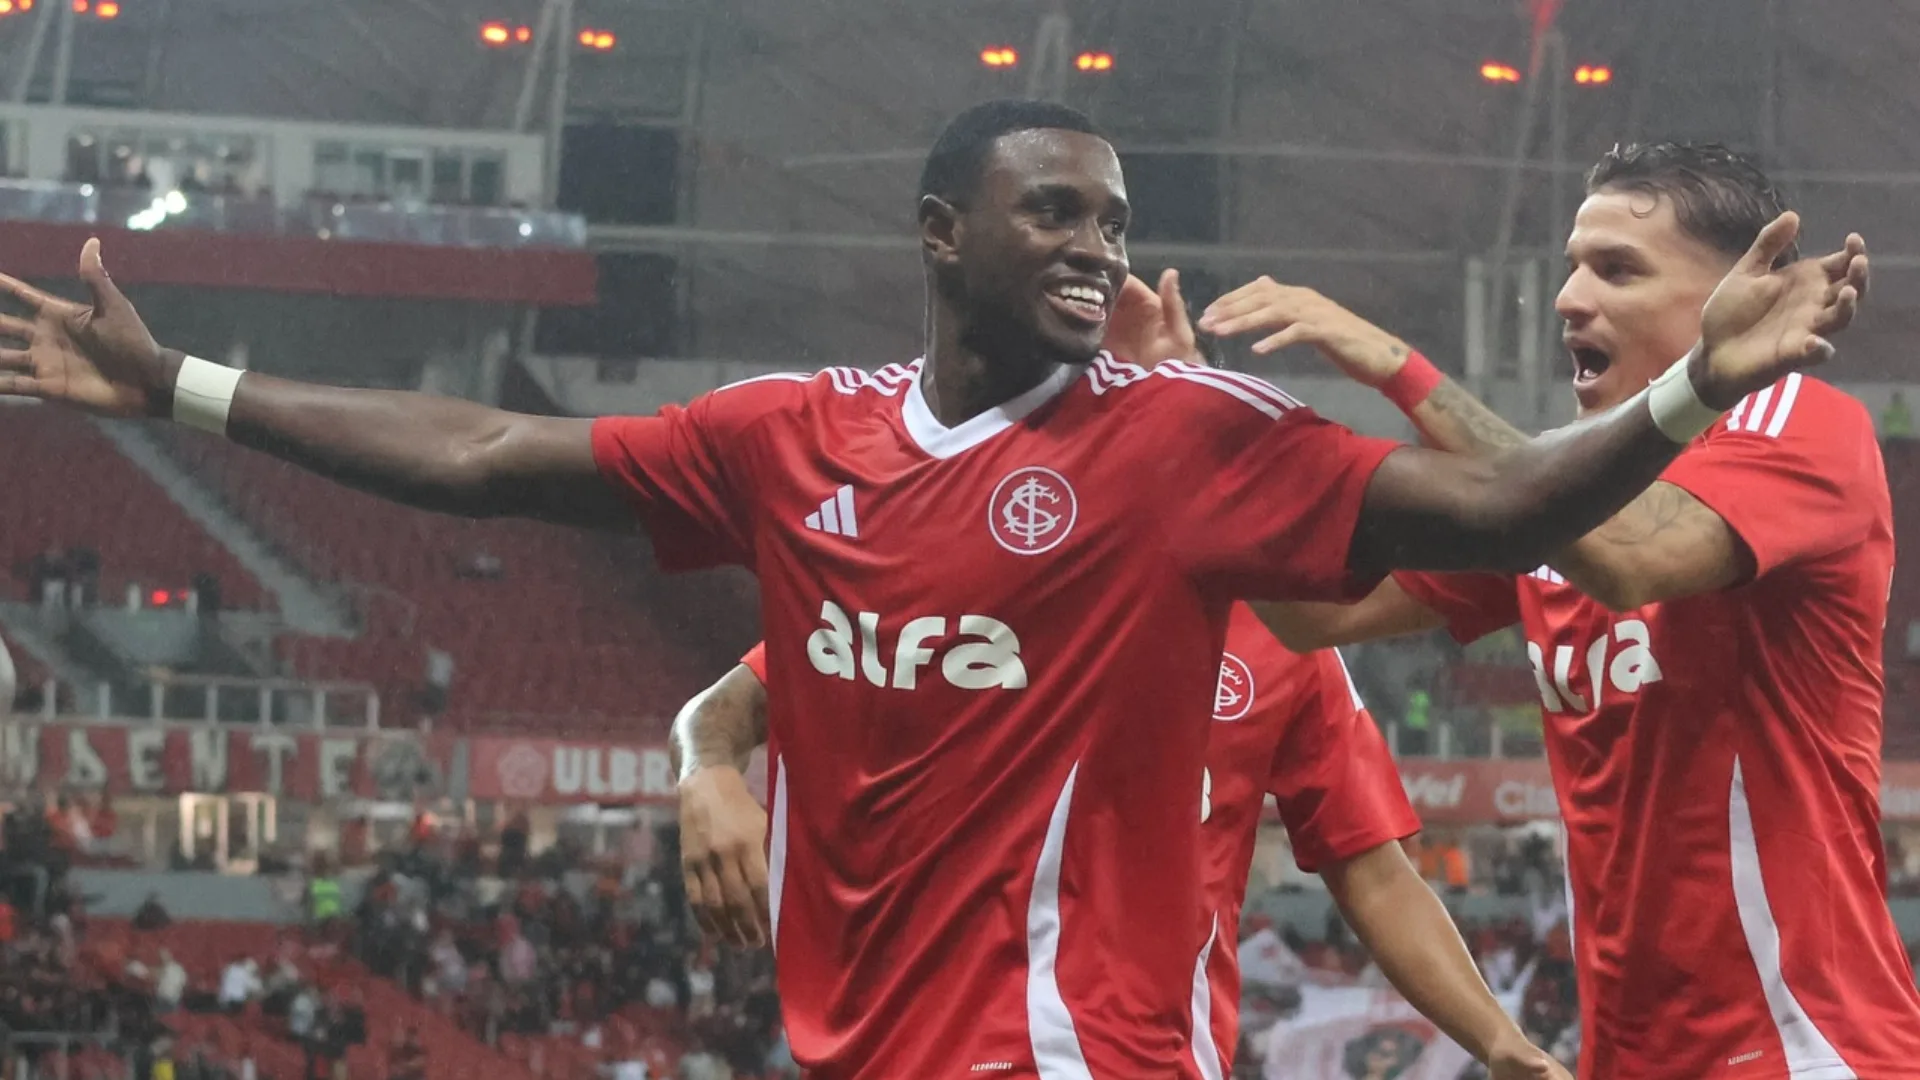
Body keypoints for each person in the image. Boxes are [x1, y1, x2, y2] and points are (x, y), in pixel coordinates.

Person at [0, 100, 1864, 1079]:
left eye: (1119, 223)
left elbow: (1510, 516)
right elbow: (492, 460)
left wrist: (1678, 386)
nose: (1097, 248)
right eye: (1057, 213)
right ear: (940, 236)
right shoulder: (799, 437)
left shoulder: (1188, 439)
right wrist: (184, 387)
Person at [1203, 142, 1913, 1078]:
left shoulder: (1802, 425)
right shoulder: (1557, 493)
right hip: (1629, 1057)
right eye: (1573, 267)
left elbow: (1628, 559)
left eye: (1617, 270)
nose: (1570, 298)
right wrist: (1200, 448)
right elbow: (1311, 617)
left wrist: (1396, 368)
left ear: (1744, 292)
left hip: (1807, 1050)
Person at [680, 610, 1569, 1080]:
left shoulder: (1283, 635)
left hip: (1138, 1060)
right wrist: (706, 770)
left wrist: (1499, 1041)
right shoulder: (986, 557)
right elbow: (734, 699)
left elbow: (1373, 867)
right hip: (901, 1045)